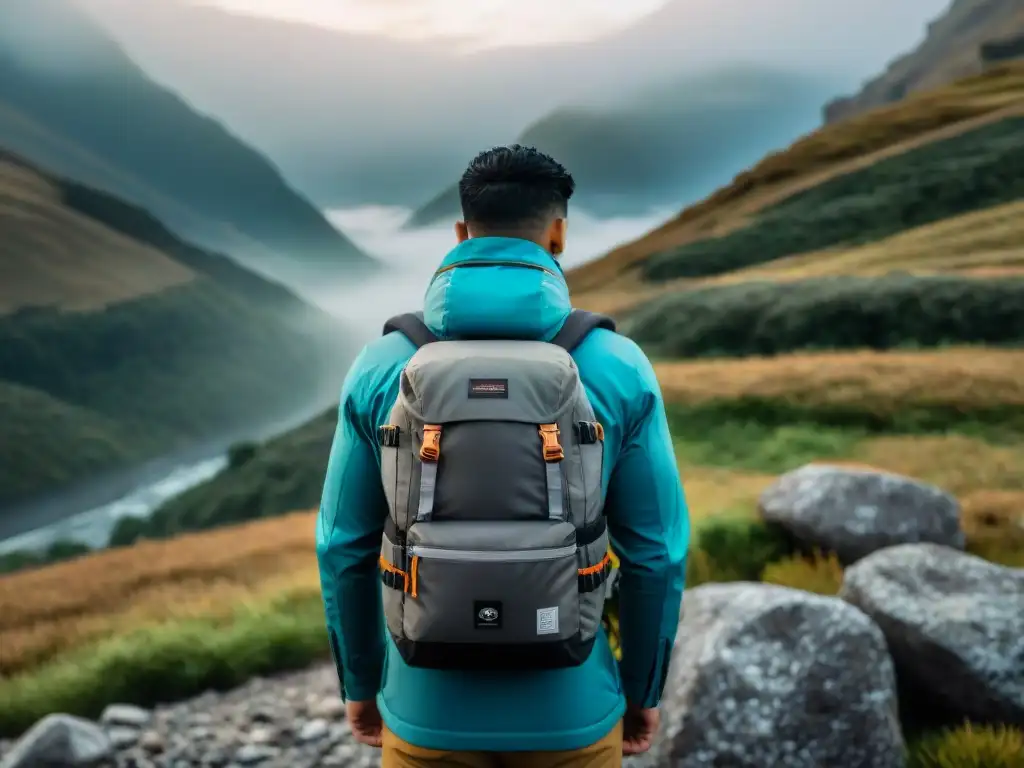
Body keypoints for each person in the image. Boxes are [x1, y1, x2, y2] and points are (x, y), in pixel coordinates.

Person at [316, 144, 689, 767]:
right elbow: (656, 551)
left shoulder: (382, 365)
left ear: (461, 232)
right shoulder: (618, 366)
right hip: (573, 716)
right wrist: (642, 689)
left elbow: (342, 545)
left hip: (424, 715)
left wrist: (359, 682)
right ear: (559, 234)